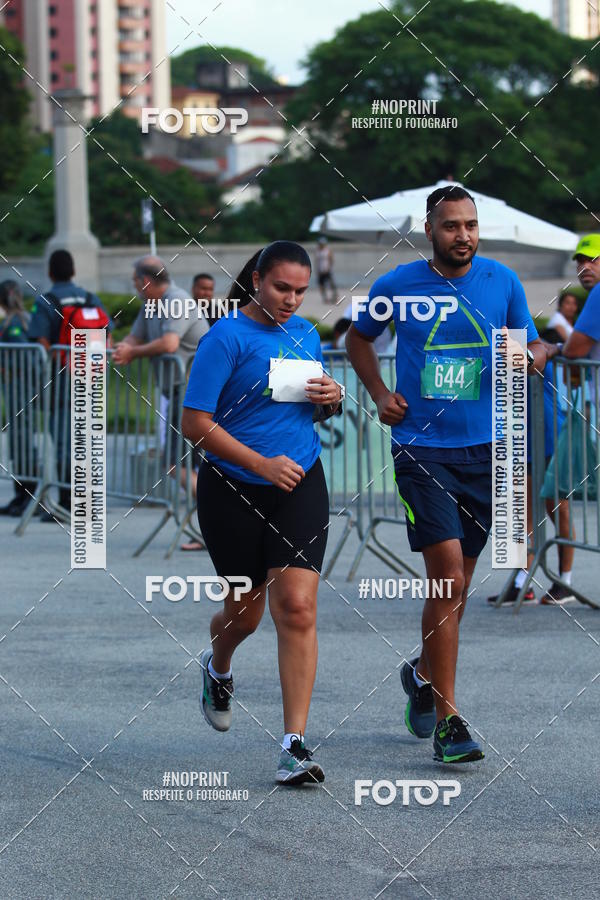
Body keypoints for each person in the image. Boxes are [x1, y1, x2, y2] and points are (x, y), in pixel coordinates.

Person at [346, 185, 546, 764]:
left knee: (458, 586)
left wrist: (528, 358)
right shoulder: (397, 285)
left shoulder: (502, 281)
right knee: (448, 579)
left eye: (471, 225)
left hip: (487, 449)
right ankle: (449, 723)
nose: (464, 235)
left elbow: (534, 349)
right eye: (452, 225)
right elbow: (358, 339)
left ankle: (422, 674)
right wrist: (379, 392)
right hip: (421, 448)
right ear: (429, 230)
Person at [181, 240, 343, 785]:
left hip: (299, 481)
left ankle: (294, 744)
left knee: (296, 607)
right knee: (244, 616)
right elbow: (195, 423)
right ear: (256, 280)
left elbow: (309, 406)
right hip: (233, 488)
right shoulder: (224, 338)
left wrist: (332, 397)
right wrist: (259, 464)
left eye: (301, 290)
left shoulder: (306, 334)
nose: (292, 299)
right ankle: (218, 665)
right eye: (282, 288)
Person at [487, 328, 576, 606]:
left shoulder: (532, 344)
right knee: (523, 513)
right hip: (521, 440)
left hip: (551, 439)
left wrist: (558, 346)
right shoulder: (496, 343)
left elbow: (551, 348)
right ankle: (521, 584)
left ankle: (565, 582)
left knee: (557, 509)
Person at [28, 249, 112, 520]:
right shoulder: (90, 298)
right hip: (91, 377)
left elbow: (40, 341)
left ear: (50, 272)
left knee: (65, 439)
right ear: (74, 271)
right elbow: (107, 332)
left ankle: (68, 502)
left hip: (62, 379)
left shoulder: (46, 300)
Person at [113, 256, 208, 489]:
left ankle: (214, 506)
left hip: (192, 394)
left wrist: (133, 353)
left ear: (145, 280)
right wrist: (122, 349)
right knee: (189, 463)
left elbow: (169, 343)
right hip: (182, 393)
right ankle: (211, 506)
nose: (134, 286)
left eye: (135, 280)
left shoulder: (177, 300)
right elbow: (135, 336)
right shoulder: (151, 304)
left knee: (176, 465)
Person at [0, 280, 38, 516]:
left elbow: (24, 355)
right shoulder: (23, 318)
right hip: (17, 389)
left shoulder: (15, 322)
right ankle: (20, 495)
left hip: (20, 389)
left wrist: (8, 368)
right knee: (18, 441)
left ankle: (28, 496)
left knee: (22, 441)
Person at [316, 236, 337, 304]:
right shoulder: (318, 251)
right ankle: (325, 298)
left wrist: (329, 268)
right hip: (320, 270)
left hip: (327, 270)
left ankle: (335, 297)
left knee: (331, 284)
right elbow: (316, 261)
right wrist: (317, 270)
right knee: (321, 285)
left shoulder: (328, 250)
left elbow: (331, 260)